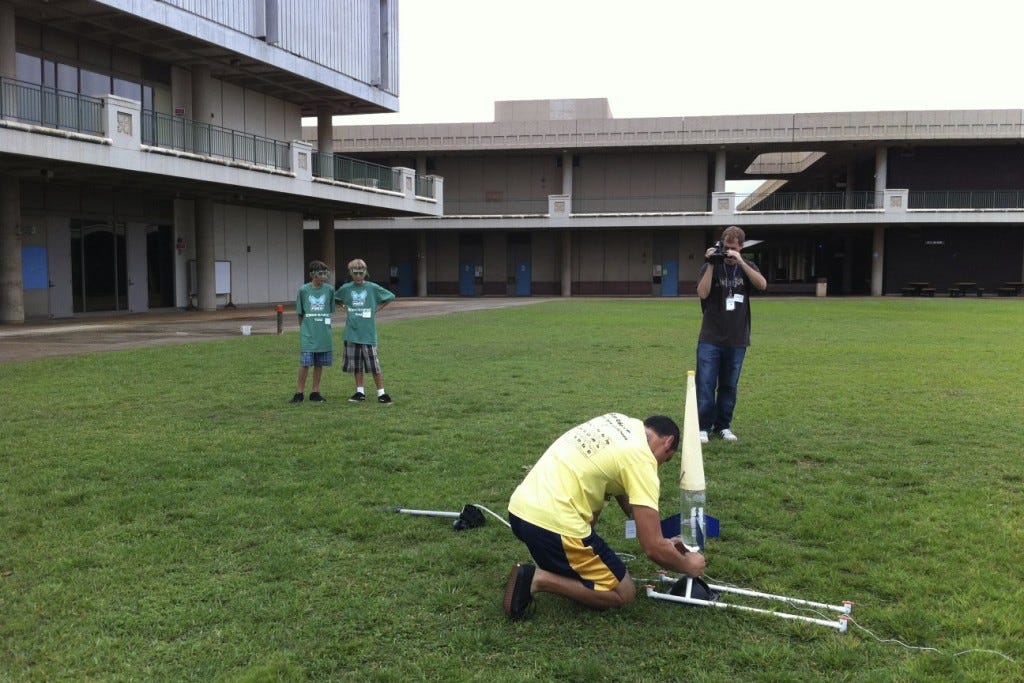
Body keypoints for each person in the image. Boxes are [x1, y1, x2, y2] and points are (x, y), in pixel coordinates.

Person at [503, 413, 706, 620]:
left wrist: (664, 540)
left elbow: (631, 505)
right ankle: (537, 579)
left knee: (587, 565)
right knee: (624, 592)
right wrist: (687, 565)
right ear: (668, 441)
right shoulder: (642, 459)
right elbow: (652, 547)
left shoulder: (618, 422)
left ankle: (559, 569)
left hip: (520, 512)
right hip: (552, 526)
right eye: (667, 459)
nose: (660, 465)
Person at [695, 225, 768, 443]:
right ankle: (703, 427)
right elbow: (702, 292)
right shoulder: (711, 265)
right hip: (710, 337)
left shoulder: (747, 266)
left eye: (733, 248)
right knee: (706, 383)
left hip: (737, 339)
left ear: (741, 248)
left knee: (729, 385)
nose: (728, 252)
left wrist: (742, 263)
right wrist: (710, 263)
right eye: (725, 247)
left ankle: (723, 425)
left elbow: (762, 285)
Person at [336, 258, 396, 404]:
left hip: (368, 334)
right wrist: (344, 307)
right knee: (356, 365)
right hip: (351, 333)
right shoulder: (346, 288)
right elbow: (336, 298)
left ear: (365, 272)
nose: (358, 276)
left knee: (374, 365)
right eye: (355, 272)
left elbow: (390, 296)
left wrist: (377, 308)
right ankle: (359, 392)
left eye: (361, 272)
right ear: (350, 273)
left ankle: (381, 393)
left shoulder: (372, 288)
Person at [291, 260, 336, 404]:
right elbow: (300, 313)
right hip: (308, 334)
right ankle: (299, 392)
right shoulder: (304, 290)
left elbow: (330, 310)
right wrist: (304, 329)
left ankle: (315, 391)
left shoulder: (329, 290)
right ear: (312, 274)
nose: (324, 276)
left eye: (325, 273)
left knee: (319, 363)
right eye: (320, 273)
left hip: (323, 333)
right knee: (305, 363)